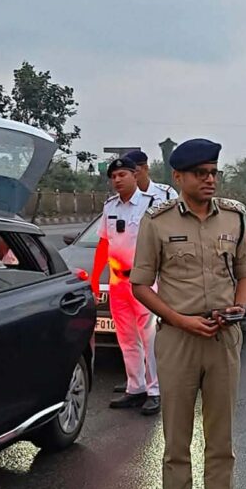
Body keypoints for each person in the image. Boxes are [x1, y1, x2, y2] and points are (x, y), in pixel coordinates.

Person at [131, 139, 246, 489]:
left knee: (221, 439)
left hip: (223, 339)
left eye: (213, 172)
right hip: (179, 339)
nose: (209, 179)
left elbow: (245, 272)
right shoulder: (157, 222)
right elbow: (140, 285)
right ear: (178, 178)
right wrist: (181, 320)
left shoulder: (234, 218)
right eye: (200, 173)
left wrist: (240, 303)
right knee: (176, 441)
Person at [91, 157, 160, 415]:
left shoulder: (151, 205)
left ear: (135, 175)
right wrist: (95, 279)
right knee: (126, 337)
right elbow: (103, 244)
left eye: (122, 174)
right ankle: (136, 387)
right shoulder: (110, 207)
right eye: (114, 176)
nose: (117, 180)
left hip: (144, 281)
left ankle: (155, 390)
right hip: (117, 281)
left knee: (150, 337)